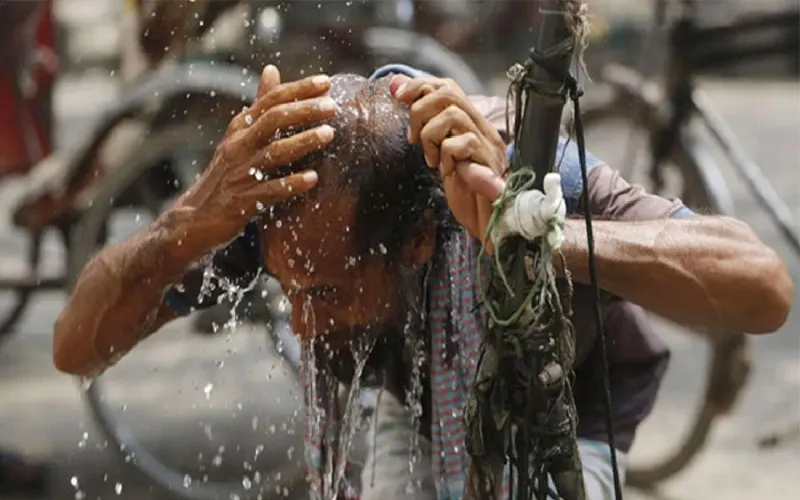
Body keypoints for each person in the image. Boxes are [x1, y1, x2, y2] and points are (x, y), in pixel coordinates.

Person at [53, 64, 793, 499]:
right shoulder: (278, 217)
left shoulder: (513, 171)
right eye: (292, 293)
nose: (303, 323)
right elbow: (78, 348)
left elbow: (763, 289)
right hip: (410, 393)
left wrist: (532, 232)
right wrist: (182, 224)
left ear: (414, 241)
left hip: (566, 405)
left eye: (330, 293)